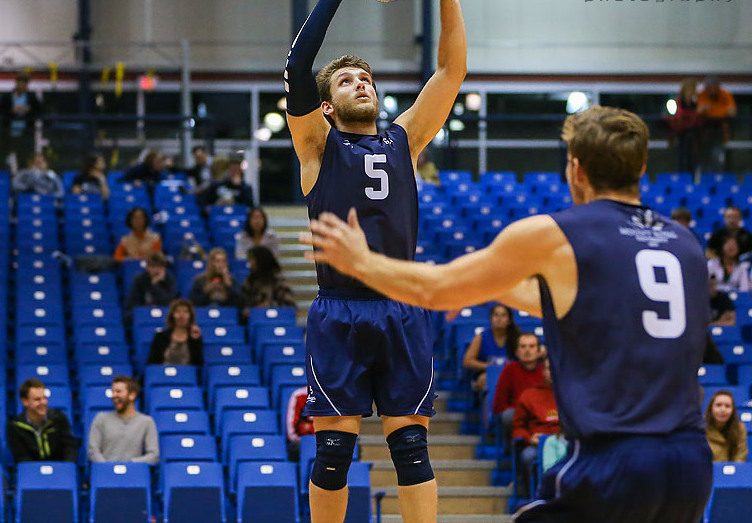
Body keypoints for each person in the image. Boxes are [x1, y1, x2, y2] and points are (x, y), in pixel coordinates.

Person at [305, 105, 713, 523]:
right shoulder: (685, 245)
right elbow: (565, 301)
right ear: (642, 166)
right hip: (691, 462)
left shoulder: (559, 233)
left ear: (576, 170)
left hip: (615, 458)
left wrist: (361, 262)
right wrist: (489, 283)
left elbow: (438, 290)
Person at [284, 0, 466, 523]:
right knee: (334, 453)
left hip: (401, 307)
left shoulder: (404, 141)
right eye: (346, 80)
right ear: (328, 105)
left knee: (411, 450)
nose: (361, 83)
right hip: (339, 310)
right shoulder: (317, 146)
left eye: (366, 77)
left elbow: (450, 73)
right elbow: (295, 70)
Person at [512, 356, 560, 495]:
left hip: (566, 443)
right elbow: (518, 427)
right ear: (543, 371)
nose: (553, 371)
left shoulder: (573, 394)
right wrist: (529, 438)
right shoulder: (529, 395)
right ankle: (533, 498)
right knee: (528, 456)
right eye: (549, 368)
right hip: (538, 445)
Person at [87, 376, 160, 464]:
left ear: (132, 395)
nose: (114, 395)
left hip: (134, 474)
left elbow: (153, 455)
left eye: (118, 392)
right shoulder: (101, 418)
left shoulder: (146, 422)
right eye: (113, 392)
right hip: (105, 474)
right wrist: (107, 467)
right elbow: (93, 451)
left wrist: (130, 465)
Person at [7, 379, 78, 463]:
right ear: (25, 401)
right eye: (37, 399)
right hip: (31, 472)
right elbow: (21, 458)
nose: (43, 402)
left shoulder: (59, 418)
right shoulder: (15, 426)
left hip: (59, 470)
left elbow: (69, 448)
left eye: (44, 398)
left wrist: (65, 467)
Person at [492, 333, 545, 442]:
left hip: (543, 417)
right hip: (518, 416)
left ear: (539, 352)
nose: (527, 350)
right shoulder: (509, 370)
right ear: (516, 352)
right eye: (523, 346)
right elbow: (499, 406)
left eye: (531, 346)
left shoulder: (546, 371)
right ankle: (513, 448)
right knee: (508, 416)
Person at [461, 303, 520, 391]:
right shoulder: (481, 337)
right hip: (487, 374)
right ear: (491, 318)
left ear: (509, 320)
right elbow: (467, 361)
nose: (499, 319)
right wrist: (491, 367)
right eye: (496, 315)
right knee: (486, 379)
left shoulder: (517, 337)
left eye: (503, 315)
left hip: (511, 374)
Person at [0, 71, 42, 167]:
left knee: (23, 160)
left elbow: (40, 111)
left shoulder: (31, 97)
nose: (22, 85)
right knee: (3, 160)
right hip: (8, 133)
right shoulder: (7, 96)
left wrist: (28, 110)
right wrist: (11, 110)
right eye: (20, 82)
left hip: (24, 135)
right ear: (17, 83)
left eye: (25, 83)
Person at [241, 246, 296, 323]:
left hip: (276, 321)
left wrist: (267, 306)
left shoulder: (278, 280)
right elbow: (243, 304)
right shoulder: (250, 281)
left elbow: (289, 305)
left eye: (252, 259)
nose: (250, 263)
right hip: (256, 323)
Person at [124, 251, 177, 327]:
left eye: (159, 267)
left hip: (164, 313)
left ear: (164, 268)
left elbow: (169, 302)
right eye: (153, 266)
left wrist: (155, 285)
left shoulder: (170, 279)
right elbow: (134, 302)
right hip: (143, 312)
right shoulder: (140, 279)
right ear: (147, 267)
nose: (156, 270)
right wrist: (147, 310)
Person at [145, 298, 204, 366]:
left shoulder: (195, 338)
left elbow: (198, 364)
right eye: (177, 312)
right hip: (162, 374)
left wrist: (195, 341)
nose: (181, 316)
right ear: (172, 315)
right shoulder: (160, 336)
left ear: (190, 316)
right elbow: (152, 362)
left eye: (185, 312)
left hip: (186, 375)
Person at [695, 76, 736, 173]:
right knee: (704, 157)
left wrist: (712, 111)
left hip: (720, 131)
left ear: (717, 87)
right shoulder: (702, 94)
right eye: (706, 88)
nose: (707, 90)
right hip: (704, 132)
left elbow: (732, 112)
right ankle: (706, 181)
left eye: (710, 88)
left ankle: (718, 178)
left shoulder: (725, 94)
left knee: (717, 156)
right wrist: (722, 111)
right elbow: (699, 111)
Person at [663, 78, 699, 173]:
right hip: (679, 137)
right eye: (693, 90)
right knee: (681, 162)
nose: (695, 92)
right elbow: (675, 117)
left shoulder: (695, 104)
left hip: (693, 138)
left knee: (692, 163)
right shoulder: (676, 103)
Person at [705, 391, 748, 463]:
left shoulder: (740, 428)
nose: (723, 410)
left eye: (727, 406)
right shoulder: (700, 428)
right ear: (711, 408)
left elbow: (741, 456)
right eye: (718, 405)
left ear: (733, 410)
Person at [286, 385, 315, 461]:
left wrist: (310, 428)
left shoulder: (332, 396)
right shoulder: (299, 395)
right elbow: (293, 430)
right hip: (302, 441)